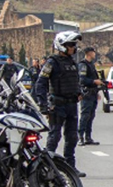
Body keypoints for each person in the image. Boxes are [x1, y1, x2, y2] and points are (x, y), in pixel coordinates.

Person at [35, 31, 85, 176]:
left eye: (74, 45)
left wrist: (79, 91)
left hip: (71, 105)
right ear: (62, 46)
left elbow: (75, 81)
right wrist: (43, 104)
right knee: (54, 136)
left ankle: (70, 167)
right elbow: (41, 83)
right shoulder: (52, 63)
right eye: (70, 45)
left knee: (72, 137)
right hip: (57, 104)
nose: (73, 48)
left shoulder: (72, 62)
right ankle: (48, 166)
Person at [77, 47, 103, 146]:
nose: (94, 54)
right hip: (86, 94)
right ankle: (81, 137)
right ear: (89, 53)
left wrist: (97, 92)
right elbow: (82, 80)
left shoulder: (91, 65)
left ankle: (88, 137)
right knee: (85, 116)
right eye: (93, 52)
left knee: (91, 116)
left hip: (92, 93)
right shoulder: (83, 65)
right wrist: (93, 81)